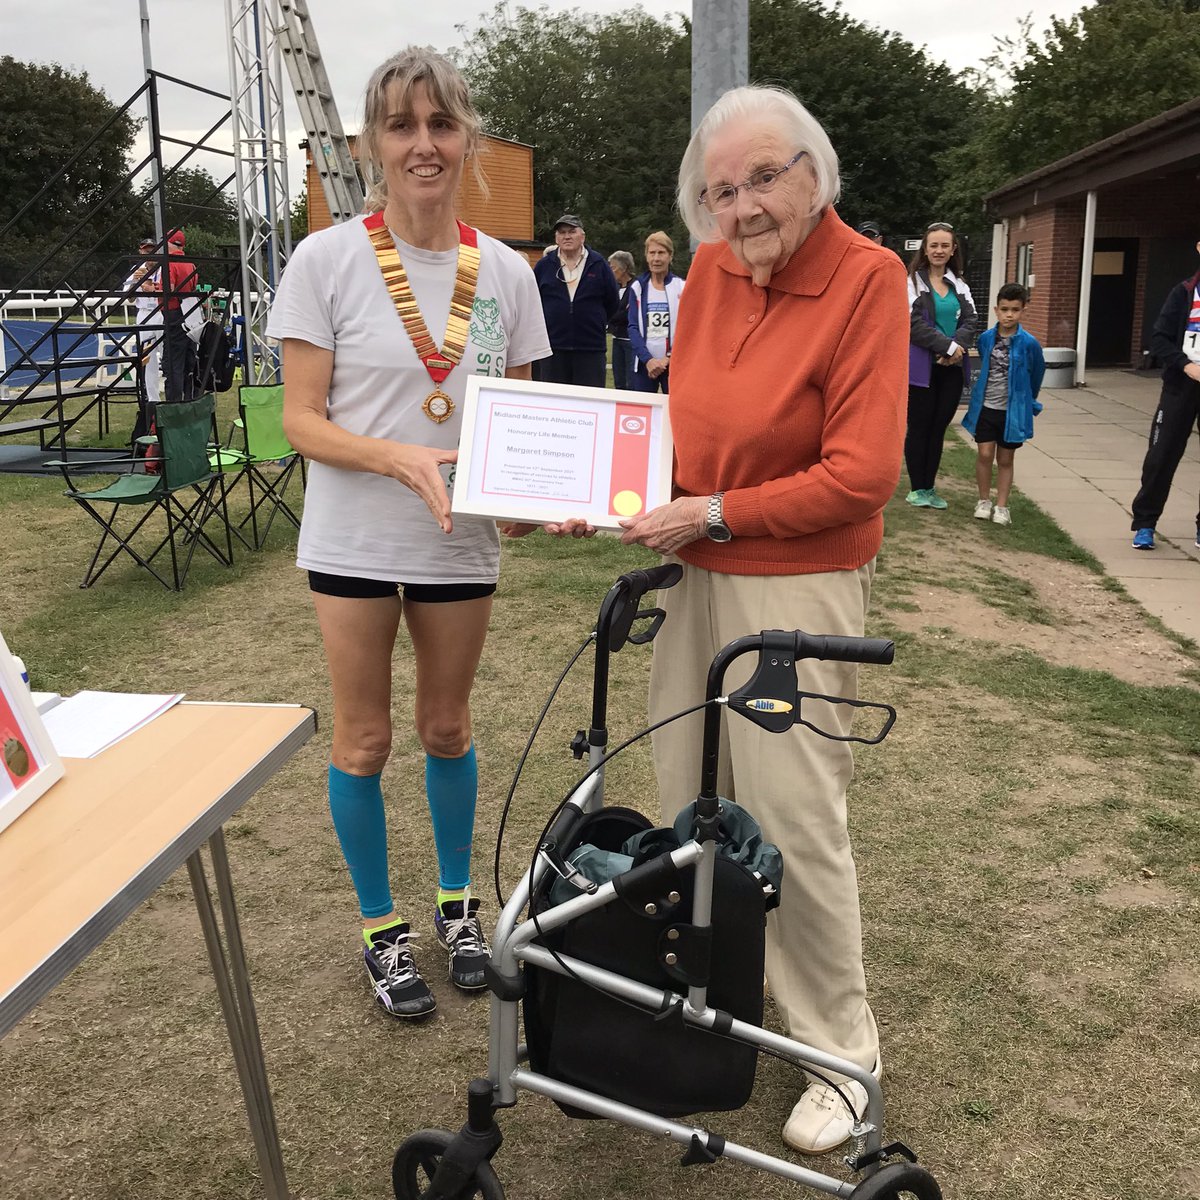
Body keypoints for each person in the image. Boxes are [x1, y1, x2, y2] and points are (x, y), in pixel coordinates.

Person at [618, 84, 908, 1155]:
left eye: (762, 179)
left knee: (791, 813)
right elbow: (688, 428)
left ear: (814, 174)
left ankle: (842, 1048)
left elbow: (864, 473)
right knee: (687, 792)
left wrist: (717, 511)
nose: (741, 209)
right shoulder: (704, 272)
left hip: (794, 580)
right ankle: (715, 995)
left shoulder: (869, 280)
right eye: (719, 190)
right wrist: (610, 494)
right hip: (697, 567)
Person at [266, 47, 552, 1020]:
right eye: (402, 125)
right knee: (363, 739)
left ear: (467, 137)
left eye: (441, 124)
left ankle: (455, 909)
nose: (423, 144)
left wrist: (525, 492)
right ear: (370, 144)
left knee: (446, 727)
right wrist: (398, 457)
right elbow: (299, 421)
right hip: (351, 540)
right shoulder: (327, 259)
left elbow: (520, 425)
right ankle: (382, 930)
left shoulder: (508, 272)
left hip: (457, 541)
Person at [1130, 241, 1200, 551]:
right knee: (1161, 456)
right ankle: (1145, 523)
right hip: (1180, 386)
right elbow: (1158, 338)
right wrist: (1185, 366)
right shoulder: (1183, 292)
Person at [904, 222, 977, 509]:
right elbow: (912, 324)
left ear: (953, 249)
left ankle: (930, 488)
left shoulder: (959, 285)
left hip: (952, 368)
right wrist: (946, 346)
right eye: (933, 245)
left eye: (944, 245)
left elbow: (971, 321)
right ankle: (916, 488)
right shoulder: (911, 282)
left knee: (938, 428)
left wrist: (955, 348)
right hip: (922, 368)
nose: (939, 250)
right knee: (919, 426)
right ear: (925, 248)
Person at [962, 283, 1045, 528]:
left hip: (1012, 412)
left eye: (1015, 310)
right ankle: (983, 500)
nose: (1009, 315)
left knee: (1006, 459)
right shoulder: (987, 339)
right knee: (985, 453)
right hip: (986, 407)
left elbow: (1037, 373)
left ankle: (1002, 505)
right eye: (1005, 309)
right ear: (996, 310)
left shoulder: (1029, 343)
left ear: (1023, 311)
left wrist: (1027, 400)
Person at [533, 214, 619, 387]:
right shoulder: (544, 266)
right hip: (552, 349)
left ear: (582, 236)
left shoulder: (599, 264)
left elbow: (612, 301)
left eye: (572, 231)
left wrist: (594, 321)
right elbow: (534, 302)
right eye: (562, 232)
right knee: (553, 403)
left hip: (590, 350)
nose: (567, 236)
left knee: (590, 404)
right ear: (556, 238)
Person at [627, 230, 685, 393]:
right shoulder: (637, 287)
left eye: (661, 253)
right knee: (641, 413)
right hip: (645, 364)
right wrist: (648, 360)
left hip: (674, 364)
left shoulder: (682, 287)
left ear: (670, 256)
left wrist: (669, 358)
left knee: (673, 411)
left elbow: (689, 328)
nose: (656, 258)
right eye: (652, 253)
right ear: (646, 256)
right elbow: (632, 327)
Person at [123, 235, 162, 444]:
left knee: (166, 355)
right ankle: (152, 401)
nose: (149, 254)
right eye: (146, 250)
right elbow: (128, 298)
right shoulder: (135, 270)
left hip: (161, 312)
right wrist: (136, 282)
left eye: (152, 250)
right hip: (143, 315)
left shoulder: (163, 268)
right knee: (147, 361)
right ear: (141, 251)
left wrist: (150, 286)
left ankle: (170, 400)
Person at [157, 229, 198, 403]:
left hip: (173, 313)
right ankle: (190, 399)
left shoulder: (170, 263)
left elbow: (169, 289)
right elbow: (194, 287)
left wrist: (153, 290)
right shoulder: (190, 264)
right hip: (189, 313)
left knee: (173, 361)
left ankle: (173, 403)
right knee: (189, 358)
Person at [608, 250, 636, 389]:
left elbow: (626, 314)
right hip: (616, 338)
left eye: (612, 267)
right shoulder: (614, 288)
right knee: (619, 380)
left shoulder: (636, 287)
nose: (610, 271)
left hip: (630, 340)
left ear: (624, 268)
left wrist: (610, 319)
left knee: (631, 380)